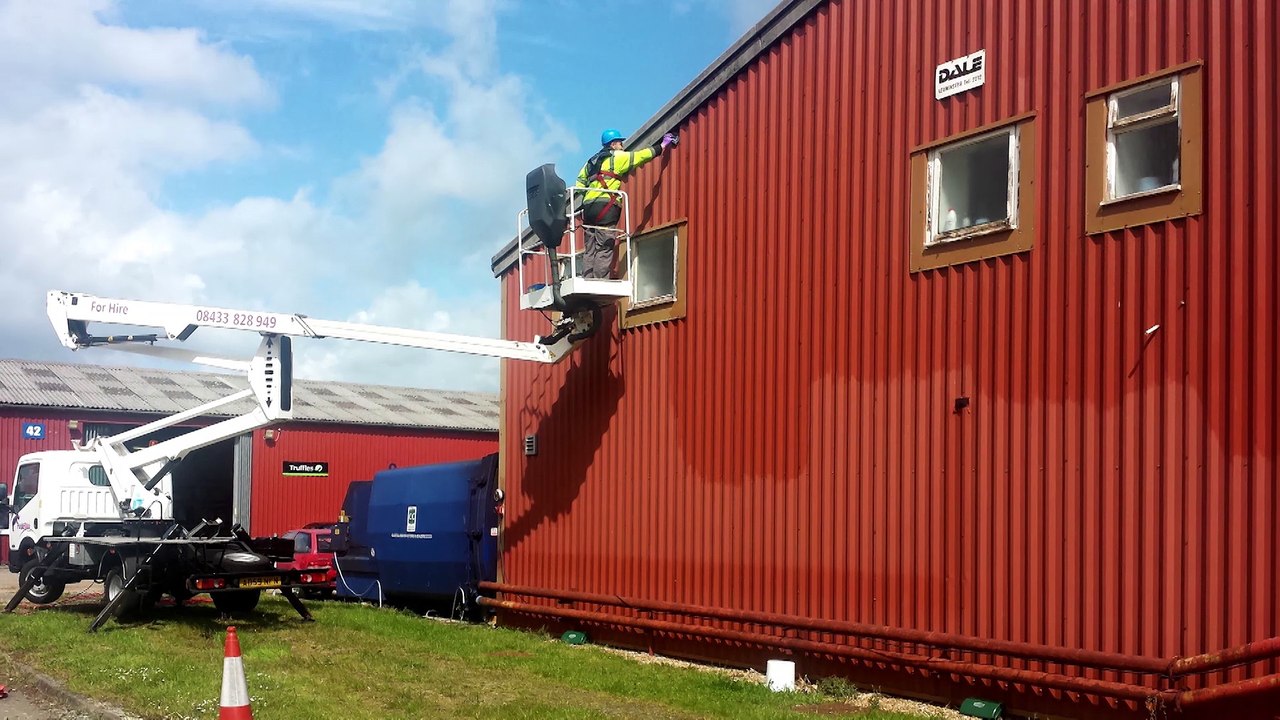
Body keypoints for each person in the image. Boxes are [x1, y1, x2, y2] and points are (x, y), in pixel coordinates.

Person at [575, 128, 679, 279]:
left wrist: (590, 195)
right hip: (606, 206)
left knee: (590, 248)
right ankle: (598, 282)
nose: (622, 145)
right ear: (613, 144)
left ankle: (587, 279)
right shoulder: (617, 157)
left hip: (588, 207)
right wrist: (661, 146)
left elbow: (579, 183)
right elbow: (640, 156)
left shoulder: (590, 162)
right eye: (620, 142)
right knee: (605, 246)